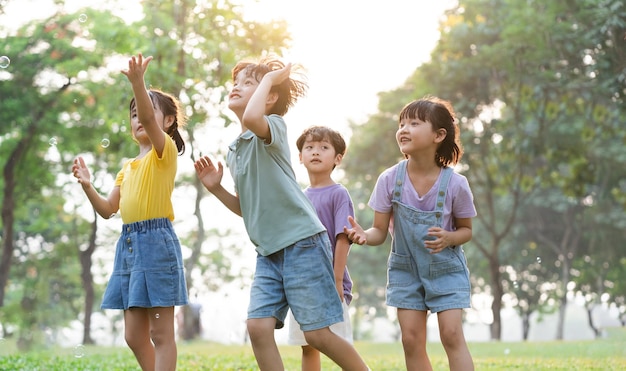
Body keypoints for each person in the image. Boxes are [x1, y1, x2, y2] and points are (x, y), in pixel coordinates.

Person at [193, 56, 369, 371]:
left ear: (269, 95)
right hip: (268, 251)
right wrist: (216, 189)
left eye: (249, 82)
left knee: (316, 334)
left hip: (302, 243)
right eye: (237, 82)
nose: (237, 87)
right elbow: (247, 210)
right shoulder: (234, 150)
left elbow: (252, 114)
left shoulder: (272, 127)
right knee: (257, 327)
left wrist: (271, 79)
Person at [72, 53, 188, 371]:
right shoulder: (128, 167)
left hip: (157, 245)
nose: (140, 118)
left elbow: (151, 124)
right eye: (134, 114)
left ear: (167, 122)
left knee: (160, 333)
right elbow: (109, 209)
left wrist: (138, 83)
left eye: (147, 113)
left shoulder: (164, 152)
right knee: (134, 336)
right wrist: (87, 186)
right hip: (129, 246)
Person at [344, 96, 476, 371]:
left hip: (446, 270)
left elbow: (466, 231)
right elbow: (380, 231)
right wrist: (364, 236)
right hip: (406, 269)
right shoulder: (389, 179)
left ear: (439, 135)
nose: (403, 129)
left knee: (451, 335)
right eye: (401, 123)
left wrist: (450, 238)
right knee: (411, 339)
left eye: (414, 123)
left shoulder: (456, 184)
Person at [288, 126, 356, 371]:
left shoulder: (338, 194)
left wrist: (336, 280)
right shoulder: (298, 195)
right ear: (300, 156)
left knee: (336, 341)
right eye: (309, 147)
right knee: (308, 344)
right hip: (301, 283)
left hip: (329, 283)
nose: (315, 152)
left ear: (337, 158)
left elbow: (343, 238)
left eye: (323, 147)